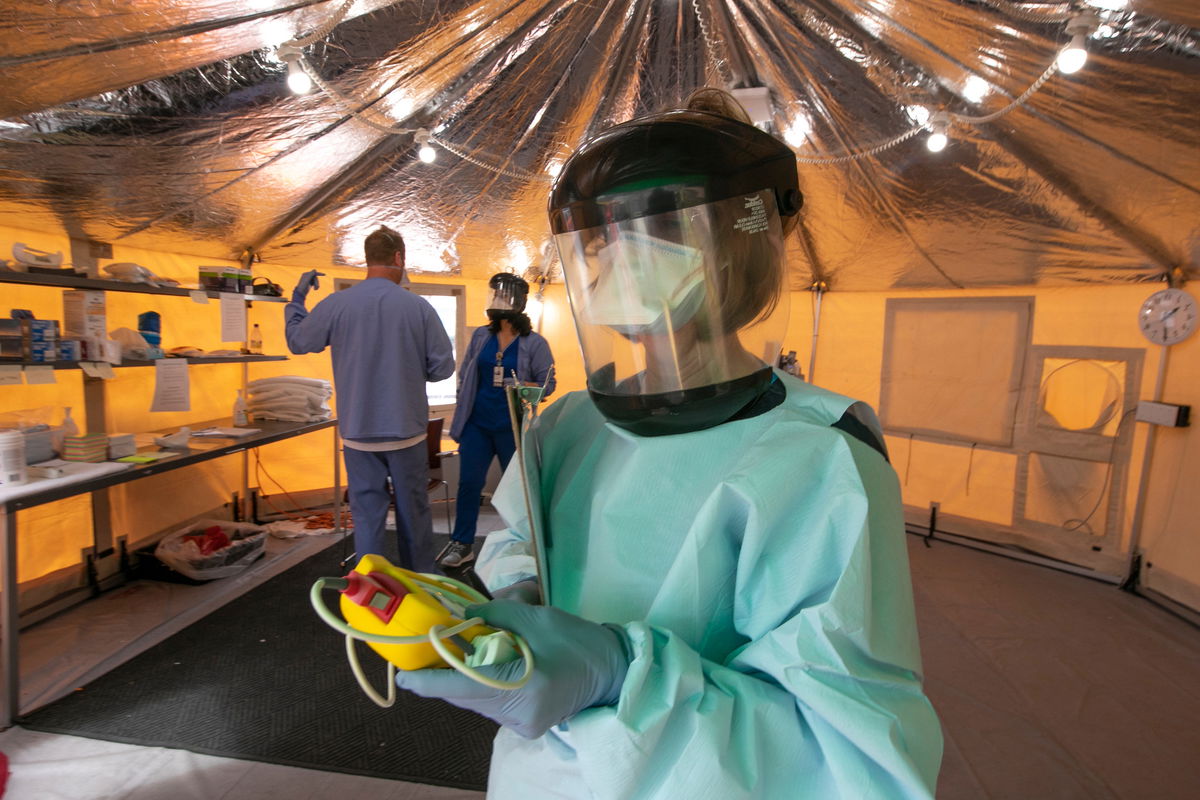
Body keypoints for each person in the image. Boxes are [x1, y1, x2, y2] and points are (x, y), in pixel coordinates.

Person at [394, 89, 943, 798]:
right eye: (608, 238)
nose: (623, 260)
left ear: (736, 245)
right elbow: (520, 543)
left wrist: (622, 673)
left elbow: (847, 757)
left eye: (659, 233)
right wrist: (521, 591)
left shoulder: (820, 456)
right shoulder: (567, 428)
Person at [285, 226, 455, 573]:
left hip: (358, 433)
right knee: (414, 511)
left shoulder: (337, 303)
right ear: (398, 258)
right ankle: (421, 583)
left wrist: (297, 300)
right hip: (406, 432)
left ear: (367, 259)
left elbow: (299, 343)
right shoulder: (419, 307)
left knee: (367, 515)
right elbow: (442, 370)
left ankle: (371, 592)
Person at [436, 273, 556, 568]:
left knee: (517, 488)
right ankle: (463, 543)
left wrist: (524, 387)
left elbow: (548, 383)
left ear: (517, 302)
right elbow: (465, 373)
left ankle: (528, 543)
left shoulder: (535, 343)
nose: (497, 301)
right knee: (469, 484)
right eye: (495, 295)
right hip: (477, 423)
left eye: (502, 296)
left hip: (510, 426)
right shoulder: (481, 336)